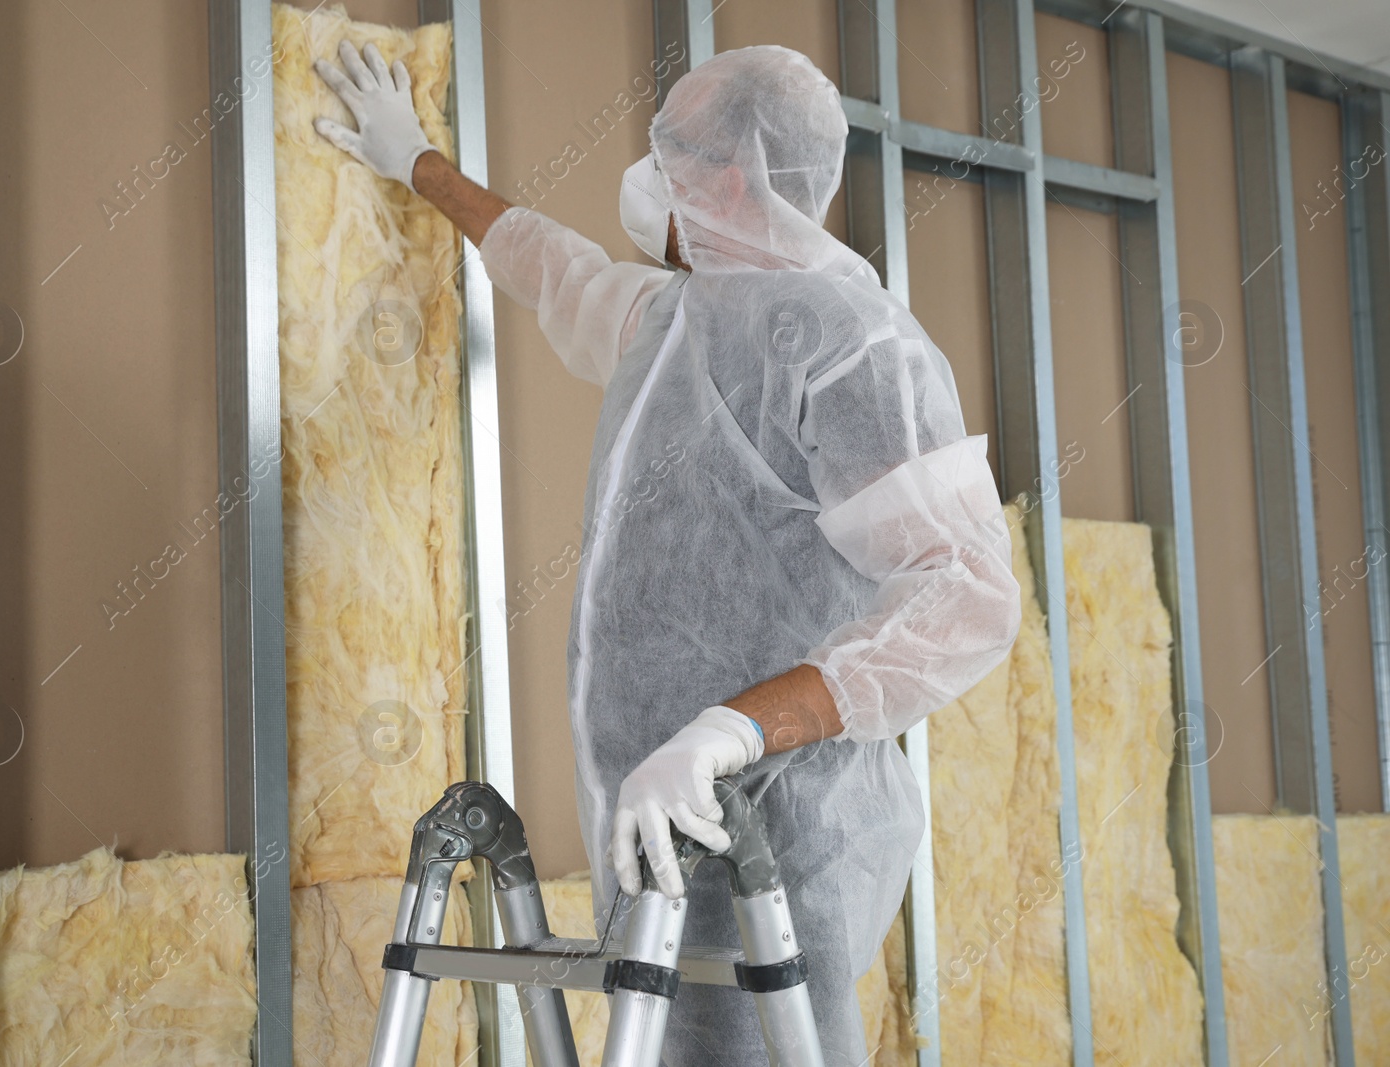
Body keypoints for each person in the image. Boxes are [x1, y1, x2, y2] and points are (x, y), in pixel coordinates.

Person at [314, 40, 1021, 1066]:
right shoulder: (669, 321)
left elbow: (967, 593)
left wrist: (734, 730)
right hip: (646, 837)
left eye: (667, 152)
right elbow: (551, 263)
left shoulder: (852, 342)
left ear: (727, 179)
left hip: (772, 848)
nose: (645, 182)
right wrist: (417, 161)